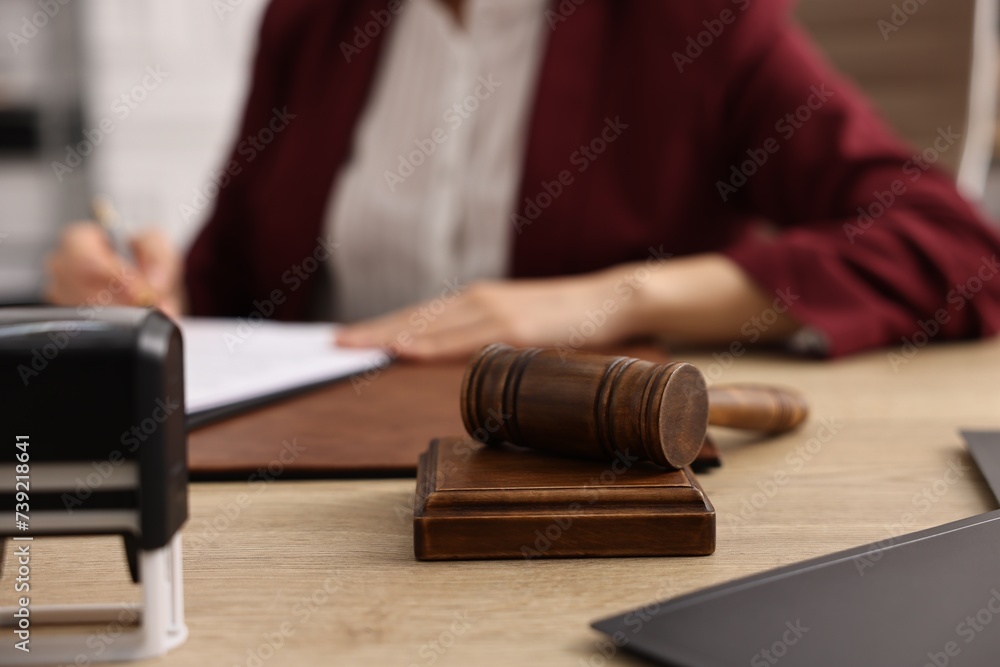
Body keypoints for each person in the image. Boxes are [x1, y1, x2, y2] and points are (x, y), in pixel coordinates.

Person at [45, 0, 1000, 360]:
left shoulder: (696, 25)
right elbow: (233, 287)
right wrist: (142, 291)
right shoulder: (311, 22)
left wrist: (613, 301)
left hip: (573, 497)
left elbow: (957, 248)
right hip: (307, 502)